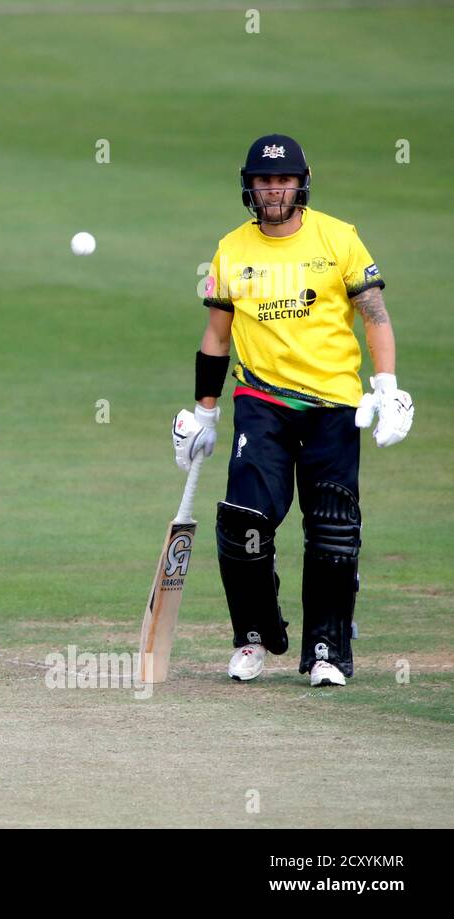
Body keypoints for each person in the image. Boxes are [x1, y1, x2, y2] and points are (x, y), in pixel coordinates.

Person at [172, 134, 413, 687]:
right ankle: (254, 636)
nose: (274, 190)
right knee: (242, 523)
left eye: (282, 180)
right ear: (249, 188)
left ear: (300, 182)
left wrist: (388, 387)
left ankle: (327, 650)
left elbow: (374, 314)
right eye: (263, 181)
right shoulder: (231, 249)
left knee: (332, 530)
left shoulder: (339, 238)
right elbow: (216, 335)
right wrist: (204, 413)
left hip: (334, 406)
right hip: (262, 403)